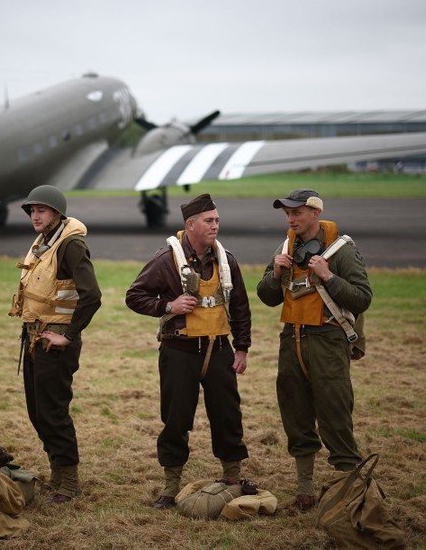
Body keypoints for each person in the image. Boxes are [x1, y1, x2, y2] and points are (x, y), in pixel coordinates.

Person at [125, 193, 252, 510]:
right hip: (179, 351)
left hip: (219, 349)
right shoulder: (165, 260)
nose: (215, 226)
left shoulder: (227, 261)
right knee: (176, 419)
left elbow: (240, 308)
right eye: (209, 221)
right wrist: (168, 305)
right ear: (190, 225)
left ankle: (233, 478)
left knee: (228, 415)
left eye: (217, 220)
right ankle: (170, 487)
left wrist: (242, 348)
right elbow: (134, 295)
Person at [256, 189, 372, 512]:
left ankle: (351, 495)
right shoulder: (285, 247)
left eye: (297, 213)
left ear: (315, 214)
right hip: (291, 339)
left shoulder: (342, 249)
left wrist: (328, 276)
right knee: (295, 414)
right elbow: (266, 295)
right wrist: (276, 273)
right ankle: (305, 490)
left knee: (335, 415)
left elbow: (362, 298)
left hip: (328, 341)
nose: (291, 219)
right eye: (287, 214)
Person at [9, 185, 102, 504]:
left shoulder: (70, 245)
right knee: (38, 412)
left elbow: (93, 296)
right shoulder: (44, 242)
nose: (35, 215)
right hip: (35, 337)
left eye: (42, 210)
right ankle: (57, 475)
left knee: (53, 412)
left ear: (57, 214)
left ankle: (70, 483)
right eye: (32, 210)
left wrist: (69, 335)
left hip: (55, 342)